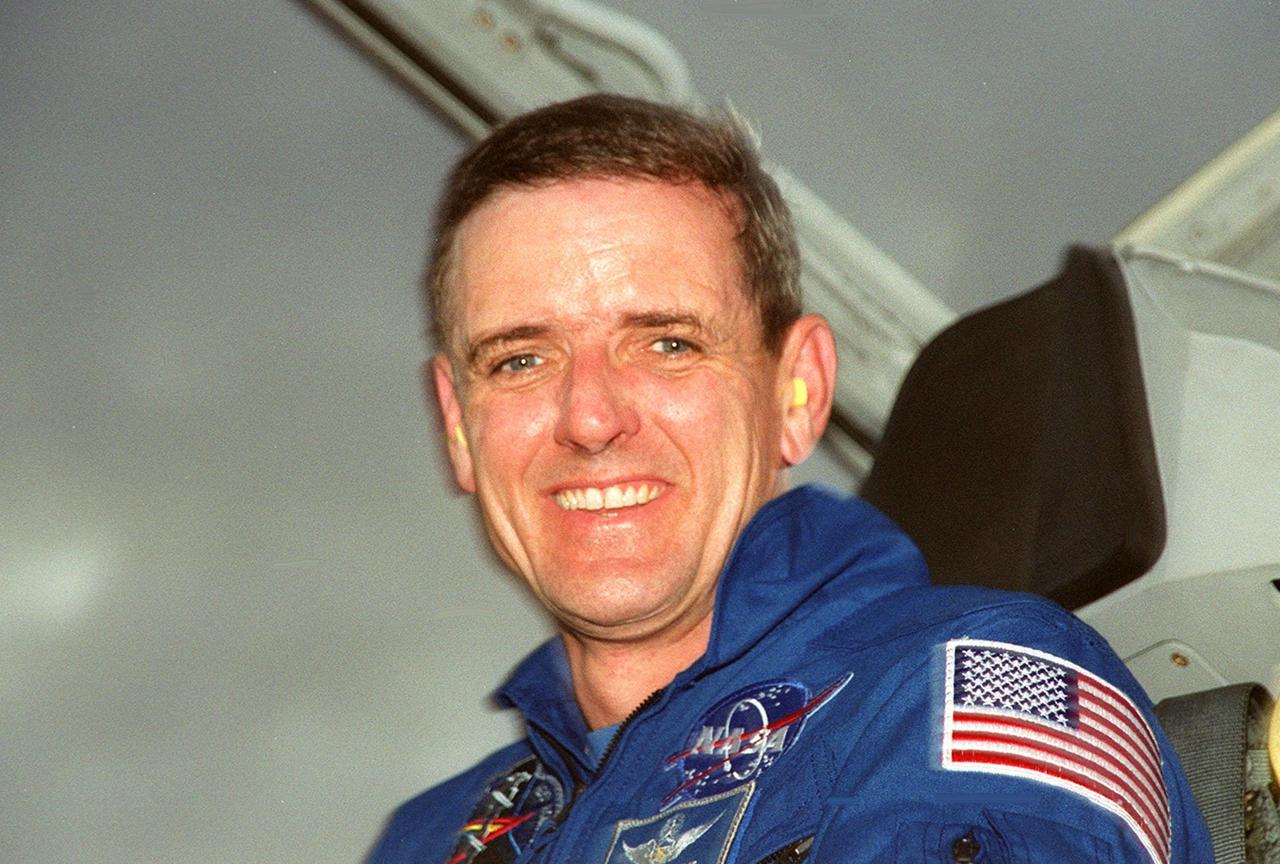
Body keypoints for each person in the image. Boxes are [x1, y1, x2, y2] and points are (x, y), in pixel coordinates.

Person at [369, 94, 1211, 864]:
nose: (589, 418)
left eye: (668, 343)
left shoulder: (973, 694)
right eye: (520, 358)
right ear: (457, 425)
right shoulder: (431, 837)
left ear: (796, 391)